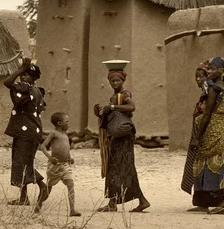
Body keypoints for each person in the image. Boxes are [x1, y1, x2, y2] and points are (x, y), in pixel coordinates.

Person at [182, 60, 224, 213]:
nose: (209, 71)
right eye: (208, 69)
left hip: (214, 133)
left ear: (221, 70)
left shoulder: (214, 89)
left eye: (212, 69)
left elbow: (207, 114)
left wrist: (197, 138)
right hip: (222, 131)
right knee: (205, 166)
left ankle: (222, 201)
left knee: (213, 168)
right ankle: (205, 203)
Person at [93, 66, 150, 213]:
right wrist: (99, 113)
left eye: (117, 80)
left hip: (123, 137)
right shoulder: (115, 96)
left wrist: (111, 107)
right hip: (117, 137)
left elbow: (132, 107)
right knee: (120, 168)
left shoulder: (124, 94)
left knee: (120, 168)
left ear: (123, 80)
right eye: (112, 80)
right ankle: (140, 201)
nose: (115, 83)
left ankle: (115, 203)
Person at [3, 57, 49, 211]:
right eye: (23, 74)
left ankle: (42, 186)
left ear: (33, 78)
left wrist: (22, 68)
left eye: (27, 74)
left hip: (26, 132)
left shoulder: (26, 88)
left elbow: (7, 82)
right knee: (20, 162)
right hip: (31, 131)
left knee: (23, 163)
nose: (23, 76)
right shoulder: (36, 91)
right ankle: (23, 198)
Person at [40, 112, 81, 216]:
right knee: (48, 188)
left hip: (65, 165)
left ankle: (72, 210)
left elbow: (66, 149)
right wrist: (50, 157)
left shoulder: (65, 136)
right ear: (59, 123)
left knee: (71, 185)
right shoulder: (54, 133)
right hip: (55, 166)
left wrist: (70, 157)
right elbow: (42, 147)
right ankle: (39, 203)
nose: (68, 124)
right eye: (66, 122)